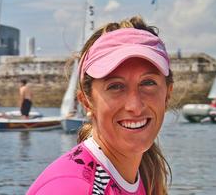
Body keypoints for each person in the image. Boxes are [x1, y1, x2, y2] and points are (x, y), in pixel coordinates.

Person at [26, 16, 173, 195]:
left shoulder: (145, 177)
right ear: (87, 102)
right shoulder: (70, 189)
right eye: (115, 86)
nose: (135, 106)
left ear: (168, 94)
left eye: (148, 83)